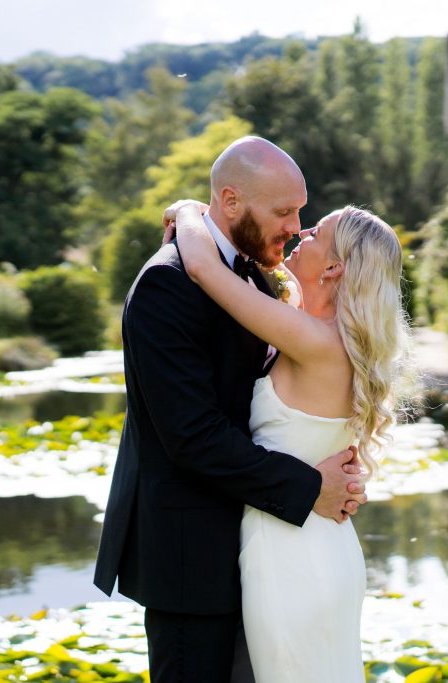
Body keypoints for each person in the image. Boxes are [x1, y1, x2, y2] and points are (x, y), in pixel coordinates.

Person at [93, 136, 370, 683]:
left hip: (263, 548)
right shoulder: (166, 283)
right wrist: (309, 486)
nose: (295, 227)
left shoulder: (253, 274)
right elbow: (192, 435)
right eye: (283, 212)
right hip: (192, 558)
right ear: (231, 201)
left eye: (300, 213)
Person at [167, 196, 409, 681]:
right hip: (316, 543)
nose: (301, 233)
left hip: (292, 557)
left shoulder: (315, 340)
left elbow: (201, 267)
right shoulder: (325, 336)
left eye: (316, 233)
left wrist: (191, 210)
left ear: (335, 268)